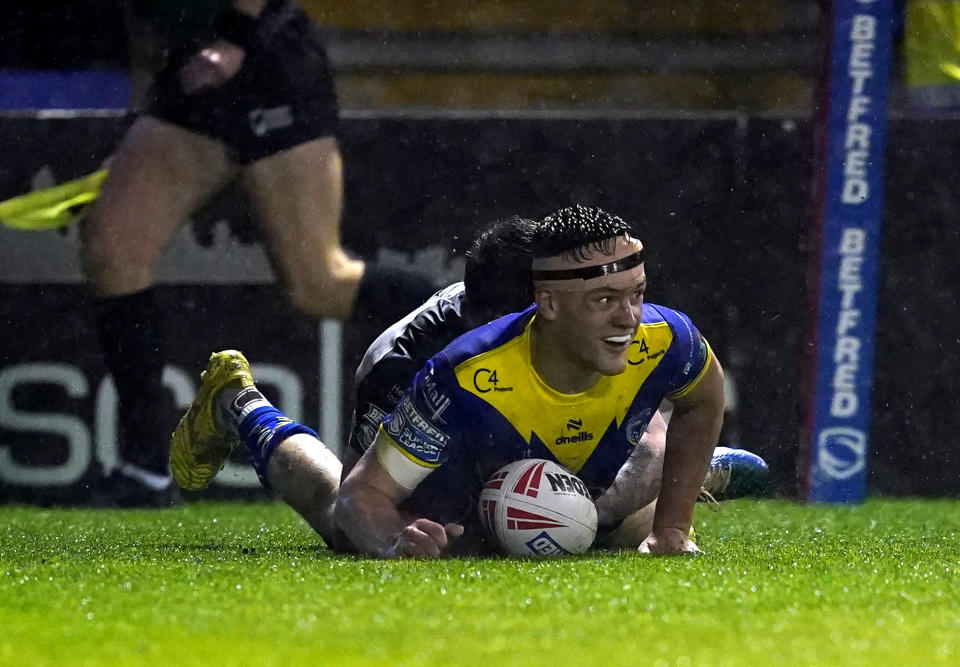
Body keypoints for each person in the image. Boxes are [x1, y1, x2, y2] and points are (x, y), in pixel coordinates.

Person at [170, 206, 768, 556]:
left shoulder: (604, 318)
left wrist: (671, 521)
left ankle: (699, 471)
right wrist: (397, 540)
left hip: (559, 441)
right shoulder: (419, 372)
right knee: (348, 528)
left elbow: (666, 416)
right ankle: (237, 403)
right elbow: (363, 498)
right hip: (448, 445)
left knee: (596, 512)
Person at [82, 0, 435, 505]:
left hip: (260, 57)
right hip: (190, 70)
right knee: (111, 249)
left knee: (319, 282)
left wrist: (236, 35)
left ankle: (484, 326)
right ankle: (145, 468)